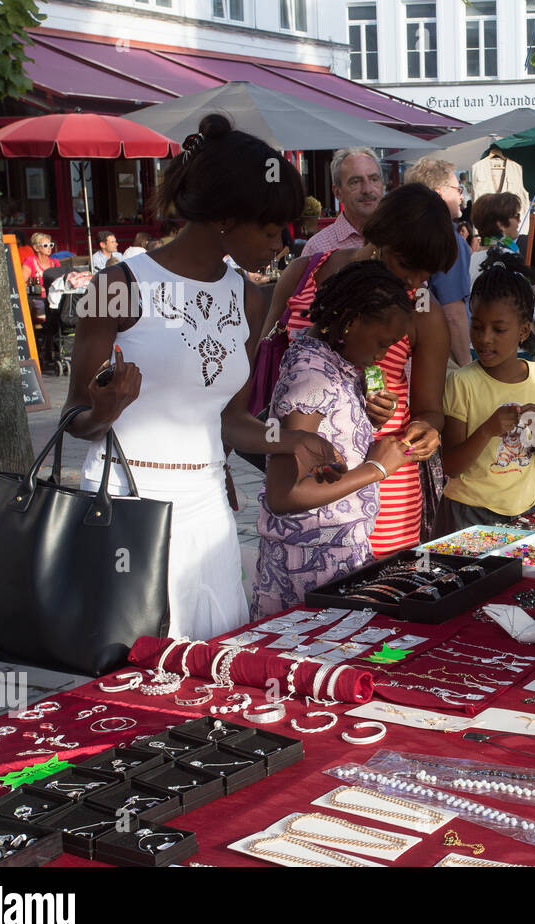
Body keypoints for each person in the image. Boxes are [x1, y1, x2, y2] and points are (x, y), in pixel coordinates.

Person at [63, 114, 337, 642]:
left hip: (208, 508)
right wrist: (103, 410)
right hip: (126, 500)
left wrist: (292, 441)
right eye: (268, 226)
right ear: (225, 218)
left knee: (210, 666)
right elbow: (73, 416)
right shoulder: (120, 284)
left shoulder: (250, 298)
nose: (281, 242)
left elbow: (232, 421)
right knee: (132, 666)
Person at [269, 184, 456, 555]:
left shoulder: (424, 310)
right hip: (305, 477)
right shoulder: (305, 273)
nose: (415, 282)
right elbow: (268, 364)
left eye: (426, 274)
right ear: (379, 237)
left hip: (387, 486)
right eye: (407, 265)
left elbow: (430, 409)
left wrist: (427, 429)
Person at [252, 261, 416, 617]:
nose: (383, 355)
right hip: (308, 567)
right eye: (381, 342)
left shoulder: (338, 361)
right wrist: (375, 469)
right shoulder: (310, 378)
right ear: (352, 320)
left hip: (335, 556)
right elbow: (284, 494)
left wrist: (371, 417)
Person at [438, 249, 535, 532]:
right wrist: (486, 430)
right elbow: (451, 466)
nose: (485, 339)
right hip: (466, 514)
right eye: (477, 326)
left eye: (499, 329)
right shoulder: (462, 382)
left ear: (523, 331)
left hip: (521, 513)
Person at [406, 159, 474, 367]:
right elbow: (453, 312)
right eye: (458, 189)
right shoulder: (448, 240)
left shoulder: (409, 232)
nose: (462, 195)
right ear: (439, 193)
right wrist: (466, 366)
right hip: (442, 350)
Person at [301, 147, 385, 256]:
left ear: (382, 186)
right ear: (337, 193)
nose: (367, 189)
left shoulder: (400, 235)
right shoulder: (318, 248)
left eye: (374, 179)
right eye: (355, 182)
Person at [469, 191, 522, 287]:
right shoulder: (508, 256)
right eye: (516, 216)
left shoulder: (473, 257)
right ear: (501, 224)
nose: (519, 220)